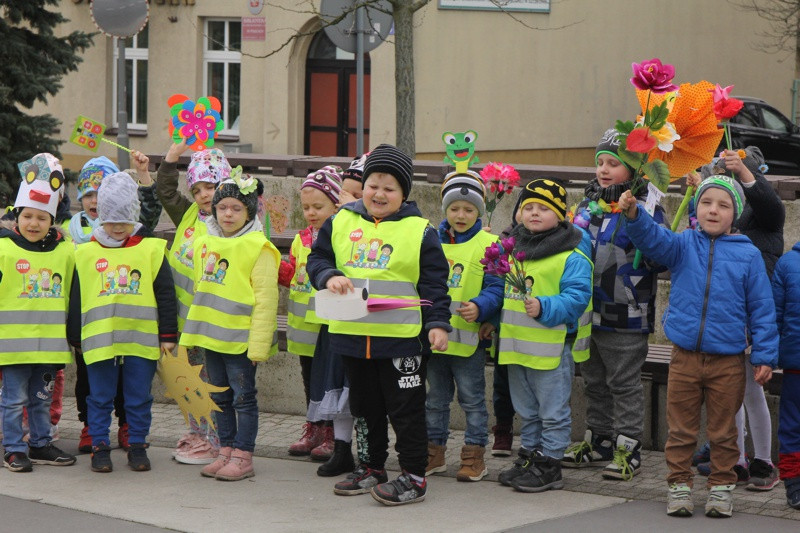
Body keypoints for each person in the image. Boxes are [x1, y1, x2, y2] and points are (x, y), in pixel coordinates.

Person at [618, 174, 778, 518]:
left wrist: (764, 355)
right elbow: (654, 240)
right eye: (706, 203)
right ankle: (679, 484)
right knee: (681, 428)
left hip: (728, 360)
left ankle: (721, 487)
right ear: (696, 208)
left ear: (734, 213)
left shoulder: (748, 255)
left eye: (723, 205)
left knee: (724, 430)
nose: (713, 210)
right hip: (685, 356)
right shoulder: (684, 243)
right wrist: (634, 215)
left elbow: (762, 308)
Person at [306, 144, 452, 506]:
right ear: (363, 185)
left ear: (403, 194)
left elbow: (434, 284)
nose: (379, 193)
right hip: (352, 337)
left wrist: (437, 324)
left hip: (402, 341)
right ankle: (372, 466)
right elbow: (318, 258)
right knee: (365, 408)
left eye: (390, 188)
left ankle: (414, 476)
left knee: (406, 411)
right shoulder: (340, 220)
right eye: (373, 184)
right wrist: (328, 275)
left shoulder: (420, 231)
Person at [561, 128, 666, 480]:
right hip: (589, 312)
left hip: (627, 313)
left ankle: (628, 446)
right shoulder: (587, 207)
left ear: (634, 170)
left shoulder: (646, 208)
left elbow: (659, 254)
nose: (603, 170)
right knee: (594, 380)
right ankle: (599, 439)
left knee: (623, 382)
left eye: (613, 163)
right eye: (600, 163)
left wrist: (639, 222)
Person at [482, 179, 592, 493]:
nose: (533, 213)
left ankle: (550, 464)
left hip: (551, 349)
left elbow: (577, 297)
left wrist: (544, 306)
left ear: (560, 215)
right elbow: (500, 291)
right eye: (528, 207)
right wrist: (491, 319)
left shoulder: (571, 253)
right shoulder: (512, 248)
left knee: (553, 411)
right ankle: (529, 456)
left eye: (543, 208)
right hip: (516, 346)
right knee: (527, 410)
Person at [68, 172, 178, 473]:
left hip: (140, 340)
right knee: (100, 396)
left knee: (138, 397)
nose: (117, 228)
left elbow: (165, 294)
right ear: (100, 218)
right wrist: (76, 336)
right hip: (100, 340)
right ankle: (100, 447)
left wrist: (168, 333)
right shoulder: (85, 252)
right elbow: (76, 297)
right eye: (110, 221)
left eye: (123, 222)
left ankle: (138, 445)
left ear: (134, 217)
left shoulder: (151, 249)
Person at [688, 147, 784, 490]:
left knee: (753, 393)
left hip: (755, 321)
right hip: (727, 320)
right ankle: (737, 458)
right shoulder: (723, 220)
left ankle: (763, 460)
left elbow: (772, 206)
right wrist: (698, 188)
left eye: (741, 182)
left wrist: (745, 173)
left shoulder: (766, 219)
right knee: (731, 394)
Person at [179, 173, 280, 481]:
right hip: (211, 337)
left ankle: (243, 456)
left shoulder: (259, 247)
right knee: (219, 396)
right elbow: (202, 288)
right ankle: (225, 450)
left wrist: (258, 345)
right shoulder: (205, 242)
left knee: (243, 399)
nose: (228, 214)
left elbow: (265, 300)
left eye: (237, 208)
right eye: (223, 208)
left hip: (239, 341)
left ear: (249, 211)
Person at [0, 153, 77, 472]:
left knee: (42, 400)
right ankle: (14, 447)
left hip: (49, 346)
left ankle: (41, 443)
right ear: (17, 215)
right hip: (13, 348)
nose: (33, 223)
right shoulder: (3, 249)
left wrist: (75, 337)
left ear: (52, 220)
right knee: (14, 400)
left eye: (42, 218)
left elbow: (75, 296)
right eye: (28, 216)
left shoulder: (66, 250)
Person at [425, 170, 503, 482]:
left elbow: (498, 288)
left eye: (469, 209)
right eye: (454, 208)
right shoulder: (430, 240)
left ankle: (474, 456)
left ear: (479, 211)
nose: (461, 215)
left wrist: (482, 307)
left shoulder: (491, 243)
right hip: (435, 338)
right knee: (435, 400)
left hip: (469, 339)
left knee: (472, 400)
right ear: (445, 209)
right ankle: (434, 452)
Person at [156, 142, 231, 465]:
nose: (203, 195)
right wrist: (172, 159)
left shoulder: (230, 221)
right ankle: (197, 432)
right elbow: (166, 191)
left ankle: (215, 439)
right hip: (183, 319)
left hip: (210, 320)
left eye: (211, 186)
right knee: (185, 378)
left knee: (210, 381)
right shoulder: (188, 213)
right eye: (197, 188)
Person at [279, 166, 344, 464]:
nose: (311, 213)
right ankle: (313, 427)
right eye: (306, 207)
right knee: (309, 378)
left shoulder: (340, 236)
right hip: (305, 325)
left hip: (329, 323)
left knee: (328, 379)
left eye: (318, 207)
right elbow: (294, 274)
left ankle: (331, 430)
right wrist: (276, 267)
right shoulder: (299, 239)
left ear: (336, 204)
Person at [772, 239, 800, 509]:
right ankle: (794, 484)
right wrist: (769, 356)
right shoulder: (788, 263)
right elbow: (775, 315)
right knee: (792, 427)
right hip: (795, 364)